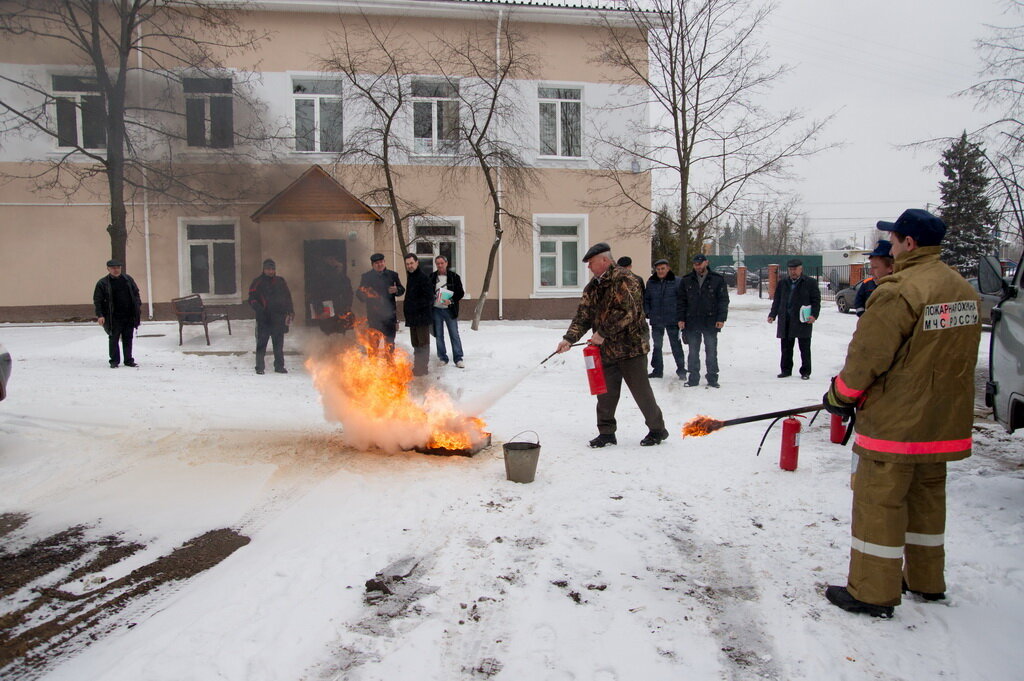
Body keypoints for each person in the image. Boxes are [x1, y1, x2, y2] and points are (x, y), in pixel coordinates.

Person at [821, 208, 981, 618]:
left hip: (897, 422)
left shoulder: (899, 291)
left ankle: (872, 591)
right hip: (943, 420)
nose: (889, 247)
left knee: (881, 503)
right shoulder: (962, 289)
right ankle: (927, 581)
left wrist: (841, 395)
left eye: (893, 241)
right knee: (927, 501)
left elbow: (868, 358)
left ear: (909, 243)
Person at [555, 242, 668, 448]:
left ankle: (657, 430)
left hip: (631, 348)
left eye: (591, 262)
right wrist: (569, 339)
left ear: (605, 260)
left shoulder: (626, 279)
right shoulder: (593, 287)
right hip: (606, 351)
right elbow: (583, 315)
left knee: (641, 393)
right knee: (605, 394)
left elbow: (628, 311)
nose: (588, 266)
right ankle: (606, 433)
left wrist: (602, 333)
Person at [677, 254, 729, 387]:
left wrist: (721, 318)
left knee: (711, 351)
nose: (697, 266)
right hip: (692, 321)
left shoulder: (717, 279)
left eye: (699, 264)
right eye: (695, 264)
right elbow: (681, 301)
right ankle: (693, 378)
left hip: (710, 321)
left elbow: (723, 300)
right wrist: (681, 319)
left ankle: (712, 378)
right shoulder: (687, 280)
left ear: (706, 263)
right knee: (693, 352)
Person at [767, 258, 820, 380]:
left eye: (795, 269)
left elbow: (816, 301)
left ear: (801, 269)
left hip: (803, 319)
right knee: (786, 347)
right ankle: (786, 370)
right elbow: (777, 300)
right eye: (790, 269)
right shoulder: (783, 283)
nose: (793, 272)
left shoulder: (810, 282)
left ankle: (805, 372)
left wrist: (814, 315)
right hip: (786, 319)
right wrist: (772, 314)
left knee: (804, 348)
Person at [93, 258, 142, 368]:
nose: (116, 270)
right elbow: (97, 300)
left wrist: (137, 305)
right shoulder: (103, 283)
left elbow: (136, 293)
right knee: (113, 338)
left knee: (128, 338)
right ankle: (114, 361)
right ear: (108, 269)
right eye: (113, 268)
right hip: (113, 316)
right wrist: (100, 315)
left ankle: (129, 360)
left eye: (118, 268)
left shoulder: (128, 280)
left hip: (129, 315)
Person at [248, 258, 294, 375]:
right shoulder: (257, 282)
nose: (271, 271)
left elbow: (287, 297)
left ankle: (279, 366)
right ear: (264, 269)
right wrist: (259, 309)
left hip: (279, 317)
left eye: (273, 269)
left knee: (278, 344)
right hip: (264, 318)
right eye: (268, 269)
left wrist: (290, 311)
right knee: (262, 343)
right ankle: (259, 367)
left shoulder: (280, 281)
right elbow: (252, 299)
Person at [643, 258, 685, 379]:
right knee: (657, 346)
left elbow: (682, 301)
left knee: (676, 345)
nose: (660, 271)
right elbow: (646, 299)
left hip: (673, 319)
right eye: (658, 269)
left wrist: (681, 317)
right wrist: (648, 312)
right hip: (656, 319)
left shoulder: (677, 281)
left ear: (668, 268)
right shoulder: (651, 282)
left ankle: (681, 369)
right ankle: (657, 370)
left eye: (663, 269)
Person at [356, 253, 404, 348]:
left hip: (389, 316)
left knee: (389, 344)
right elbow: (359, 293)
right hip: (374, 317)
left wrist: (397, 290)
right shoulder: (366, 277)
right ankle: (373, 363)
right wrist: (364, 294)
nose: (380, 264)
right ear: (372, 265)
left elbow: (401, 289)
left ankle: (389, 362)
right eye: (377, 263)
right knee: (373, 345)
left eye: (381, 262)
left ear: (384, 262)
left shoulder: (393, 275)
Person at [429, 255, 466, 368]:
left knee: (454, 334)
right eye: (438, 263)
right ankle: (442, 357)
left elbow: (460, 293)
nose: (440, 265)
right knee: (439, 335)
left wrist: (450, 301)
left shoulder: (454, 277)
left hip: (450, 310)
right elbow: (427, 292)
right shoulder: (431, 277)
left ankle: (458, 358)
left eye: (442, 263)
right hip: (436, 310)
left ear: (446, 263)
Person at [402, 253, 434, 377]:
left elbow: (429, 298)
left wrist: (415, 306)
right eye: (407, 264)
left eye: (411, 263)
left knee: (423, 344)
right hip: (413, 318)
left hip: (422, 317)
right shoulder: (411, 277)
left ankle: (423, 368)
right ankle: (418, 367)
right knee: (415, 344)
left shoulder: (423, 278)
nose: (410, 266)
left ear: (417, 263)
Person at [852, 240, 894, 316]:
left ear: (890, 267)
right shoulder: (867, 283)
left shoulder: (900, 292)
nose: (871, 272)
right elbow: (858, 302)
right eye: (871, 267)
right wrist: (863, 317)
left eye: (875, 267)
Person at [314, 253, 354, 335]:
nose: (334, 262)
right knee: (328, 333)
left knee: (342, 333)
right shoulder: (321, 279)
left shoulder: (345, 279)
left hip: (341, 310)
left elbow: (349, 294)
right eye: (331, 259)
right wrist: (320, 311)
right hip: (327, 311)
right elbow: (316, 296)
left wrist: (347, 306)